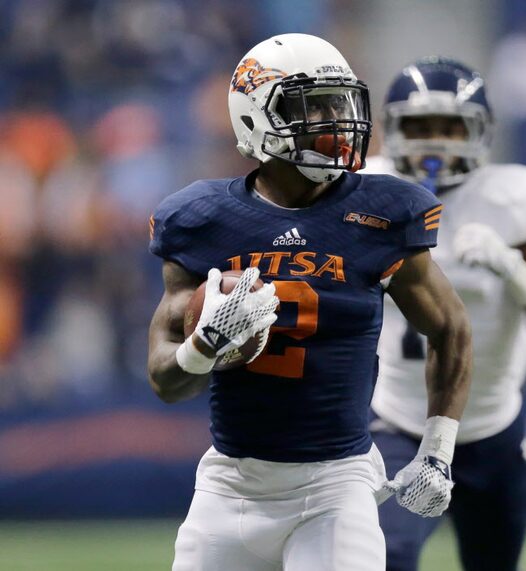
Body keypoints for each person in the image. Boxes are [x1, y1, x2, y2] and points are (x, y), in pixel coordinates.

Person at [146, 34, 472, 571]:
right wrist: (204, 347)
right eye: (310, 105)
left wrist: (437, 451)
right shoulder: (201, 219)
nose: (333, 119)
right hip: (230, 486)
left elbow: (451, 328)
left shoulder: (383, 210)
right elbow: (165, 378)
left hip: (336, 484)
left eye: (337, 102)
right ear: (254, 117)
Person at [365, 56, 526, 571]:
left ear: (481, 132)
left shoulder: (518, 198)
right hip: (398, 419)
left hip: (491, 426)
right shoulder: (364, 192)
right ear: (393, 130)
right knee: (387, 554)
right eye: (420, 126)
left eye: (451, 125)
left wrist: (513, 269)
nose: (436, 141)